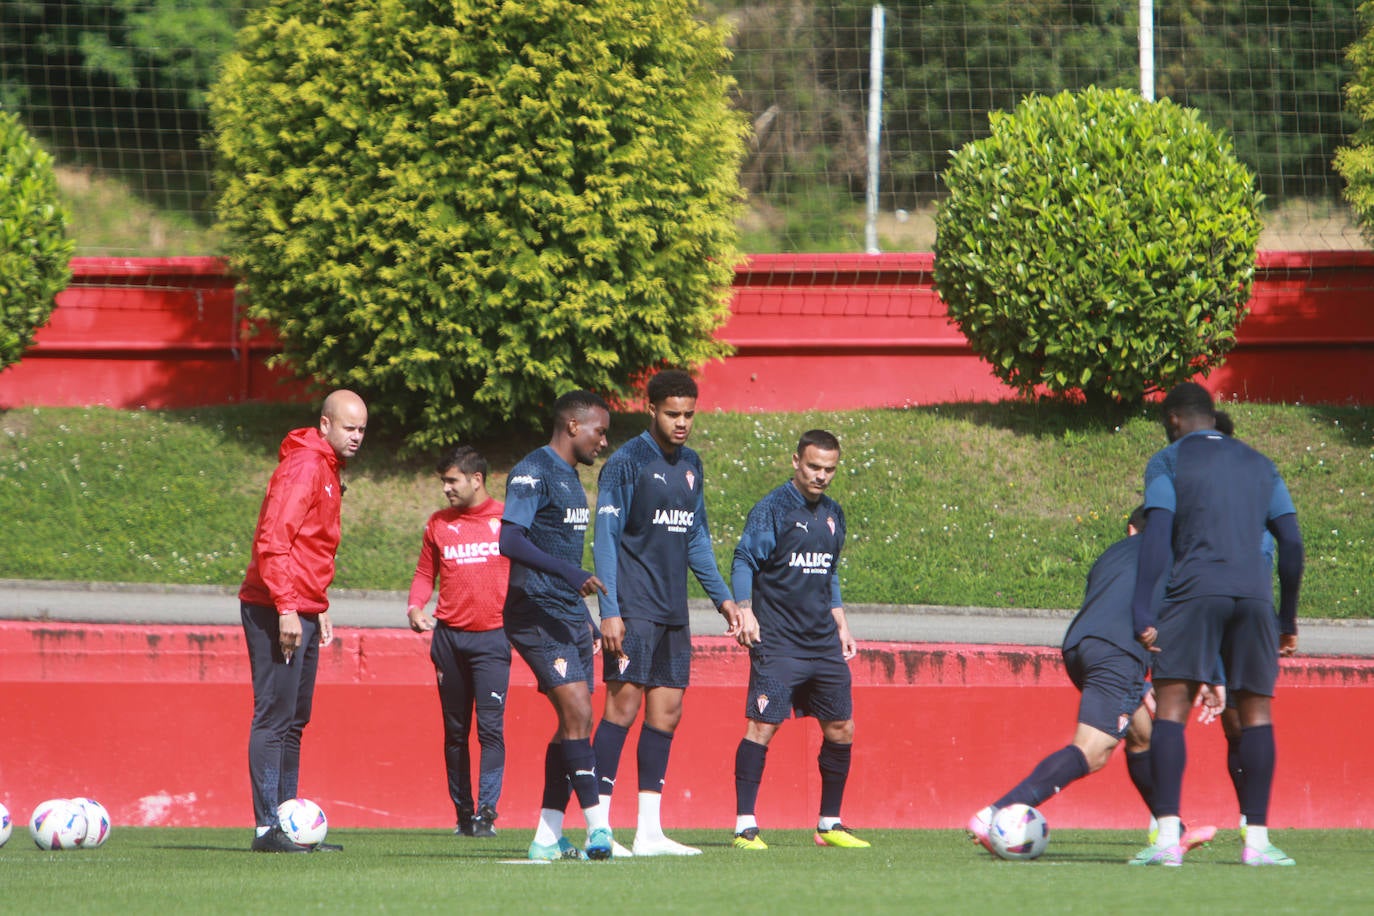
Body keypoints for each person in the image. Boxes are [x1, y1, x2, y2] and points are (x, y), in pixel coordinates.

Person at [966, 507, 1217, 854]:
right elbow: (1180, 618)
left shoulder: (1112, 554)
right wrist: (1203, 674)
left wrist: (1140, 685)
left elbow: (1115, 604)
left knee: (1142, 734)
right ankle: (993, 814)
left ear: (1132, 530)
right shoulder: (1174, 555)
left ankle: (1172, 830)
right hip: (1118, 652)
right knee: (1093, 751)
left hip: (1080, 647)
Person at [1130, 383, 1304, 867]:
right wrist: (1286, 616)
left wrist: (1143, 609)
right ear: (1213, 415)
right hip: (1253, 595)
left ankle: (1167, 840)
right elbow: (1290, 542)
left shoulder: (1167, 461)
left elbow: (1157, 535)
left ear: (1174, 421)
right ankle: (1259, 842)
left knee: (1171, 709)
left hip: (1193, 592)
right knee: (1257, 716)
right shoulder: (1260, 463)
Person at [590, 370, 741, 857]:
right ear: (651, 409)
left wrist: (724, 599)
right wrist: (609, 608)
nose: (682, 423)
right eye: (673, 414)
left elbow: (695, 536)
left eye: (689, 415)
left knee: (668, 712)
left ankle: (649, 832)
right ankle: (600, 829)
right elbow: (606, 539)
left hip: (674, 610)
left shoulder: (692, 464)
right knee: (622, 708)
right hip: (633, 608)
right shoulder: (625, 462)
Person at [239, 389, 367, 853]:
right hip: (276, 606)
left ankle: (290, 827)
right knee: (274, 717)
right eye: (350, 428)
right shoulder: (306, 466)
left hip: (302, 605)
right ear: (325, 424)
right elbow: (274, 540)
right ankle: (266, 828)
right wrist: (289, 607)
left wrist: (318, 602)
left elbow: (309, 545)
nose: (357, 437)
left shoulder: (328, 468)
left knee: (294, 719)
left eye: (362, 430)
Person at [729, 429, 869, 850]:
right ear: (795, 461)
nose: (821, 476)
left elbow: (829, 572)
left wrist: (841, 622)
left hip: (822, 642)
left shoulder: (833, 514)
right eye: (813, 466)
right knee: (762, 725)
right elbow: (743, 558)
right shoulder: (772, 509)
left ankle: (829, 823)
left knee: (842, 728)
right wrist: (745, 608)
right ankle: (744, 826)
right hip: (778, 641)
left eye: (829, 469)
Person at [499, 390, 616, 861]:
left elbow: (562, 551)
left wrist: (583, 616)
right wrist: (570, 576)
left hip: (566, 612)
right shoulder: (533, 470)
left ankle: (547, 836)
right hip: (532, 610)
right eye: (599, 431)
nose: (603, 442)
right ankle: (599, 829)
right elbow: (509, 538)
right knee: (576, 713)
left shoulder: (569, 477)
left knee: (576, 720)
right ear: (572, 425)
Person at [405, 445, 510, 839]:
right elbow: (422, 574)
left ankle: (487, 813)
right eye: (443, 481)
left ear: (476, 479)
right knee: (455, 732)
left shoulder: (507, 520)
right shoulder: (438, 524)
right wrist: (416, 607)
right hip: (448, 640)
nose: (446, 488)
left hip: (492, 640)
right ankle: (463, 815)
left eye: (452, 480)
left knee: (491, 729)